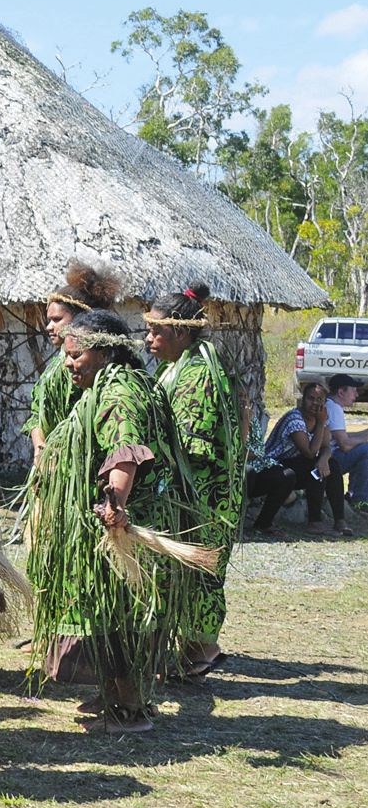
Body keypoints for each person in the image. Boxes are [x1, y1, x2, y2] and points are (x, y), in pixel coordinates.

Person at [25, 308, 203, 735]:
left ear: (104, 352)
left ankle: (130, 709)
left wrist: (114, 503)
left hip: (127, 524)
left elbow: (125, 448)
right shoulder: (120, 382)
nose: (68, 364)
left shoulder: (120, 390)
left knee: (123, 614)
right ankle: (118, 696)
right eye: (66, 356)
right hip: (128, 517)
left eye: (76, 356)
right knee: (117, 612)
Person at [146, 284, 245, 680]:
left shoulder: (198, 374)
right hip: (192, 493)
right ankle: (192, 648)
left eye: (157, 331)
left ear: (182, 333)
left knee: (201, 570)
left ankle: (201, 649)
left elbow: (192, 444)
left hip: (203, 496)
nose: (148, 338)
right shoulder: (179, 366)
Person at [26, 262, 121, 457]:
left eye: (57, 319)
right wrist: (40, 446)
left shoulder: (99, 366)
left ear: (81, 318)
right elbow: (37, 413)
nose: (49, 327)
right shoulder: (56, 365)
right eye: (48, 320)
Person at [251, 380, 344, 537]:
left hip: (299, 465)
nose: (314, 403)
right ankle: (315, 521)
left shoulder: (321, 417)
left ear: (324, 402)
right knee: (314, 466)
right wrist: (321, 425)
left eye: (319, 399)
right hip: (273, 466)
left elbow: (326, 446)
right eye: (310, 398)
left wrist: (323, 459)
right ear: (302, 399)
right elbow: (309, 452)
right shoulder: (294, 418)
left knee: (331, 465)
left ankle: (340, 520)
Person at [321, 374, 368, 513]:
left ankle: (355, 495)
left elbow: (342, 436)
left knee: (363, 449)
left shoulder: (331, 404)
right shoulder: (334, 408)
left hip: (328, 456)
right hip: (327, 461)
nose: (356, 394)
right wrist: (365, 438)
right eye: (353, 390)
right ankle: (360, 499)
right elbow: (345, 444)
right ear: (341, 392)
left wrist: (364, 434)